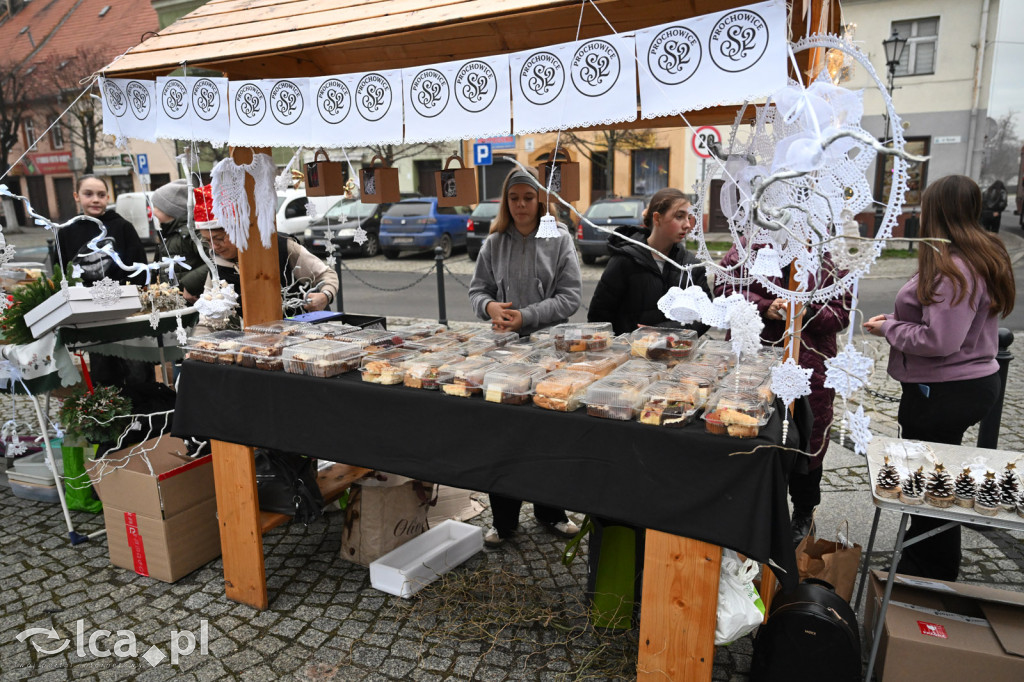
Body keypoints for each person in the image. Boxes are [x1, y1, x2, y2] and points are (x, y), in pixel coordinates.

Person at [864, 174, 1015, 581]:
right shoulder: (979, 254)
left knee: (928, 484)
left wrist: (889, 329)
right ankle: (924, 558)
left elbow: (941, 339)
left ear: (936, 213)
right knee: (934, 477)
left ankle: (928, 569)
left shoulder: (953, 269)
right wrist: (898, 320)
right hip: (962, 384)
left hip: (945, 391)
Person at [468, 168, 583, 546]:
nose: (521, 205)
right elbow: (477, 291)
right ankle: (504, 521)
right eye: (514, 198)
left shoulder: (559, 239)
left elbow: (570, 297)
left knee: (548, 438)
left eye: (528, 198)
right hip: (504, 355)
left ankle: (552, 512)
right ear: (506, 201)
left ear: (541, 201)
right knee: (505, 437)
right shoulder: (494, 242)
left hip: (551, 352)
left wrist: (528, 316)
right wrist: (490, 308)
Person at [717, 244, 851, 544]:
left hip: (809, 366)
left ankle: (804, 512)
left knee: (807, 439)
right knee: (747, 429)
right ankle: (748, 510)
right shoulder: (746, 248)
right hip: (752, 362)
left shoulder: (830, 258)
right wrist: (765, 304)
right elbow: (725, 289)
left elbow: (841, 313)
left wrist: (805, 310)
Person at [193, 185, 338, 321]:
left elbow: (326, 275)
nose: (214, 246)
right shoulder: (216, 263)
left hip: (302, 330)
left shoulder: (281, 246)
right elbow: (208, 308)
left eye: (219, 239)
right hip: (255, 340)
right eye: (207, 241)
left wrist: (325, 295)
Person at [587, 188, 710, 335]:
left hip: (678, 354)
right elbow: (599, 318)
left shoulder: (690, 265)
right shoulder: (625, 260)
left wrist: (666, 332)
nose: (687, 225)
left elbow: (706, 314)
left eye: (689, 217)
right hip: (632, 354)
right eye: (679, 217)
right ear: (657, 218)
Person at [56, 175, 147, 285]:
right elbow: (59, 271)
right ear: (76, 196)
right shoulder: (66, 231)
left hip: (121, 297)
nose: (95, 200)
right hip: (80, 299)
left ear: (108, 198)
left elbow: (139, 267)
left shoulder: (123, 227)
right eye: (88, 194)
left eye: (101, 195)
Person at [149, 179, 208, 302]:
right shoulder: (168, 233)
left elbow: (215, 260)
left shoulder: (190, 232)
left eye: (157, 207)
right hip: (176, 301)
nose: (153, 212)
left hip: (193, 302)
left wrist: (191, 284)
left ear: (171, 210)